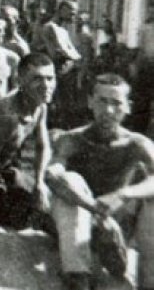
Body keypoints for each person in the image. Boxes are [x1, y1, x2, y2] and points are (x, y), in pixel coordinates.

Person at [45, 74, 154, 290]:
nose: (109, 111)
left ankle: (149, 282)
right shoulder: (72, 139)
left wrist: (124, 194)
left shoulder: (136, 143)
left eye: (116, 103)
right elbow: (53, 175)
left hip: (115, 227)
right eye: (102, 101)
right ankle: (79, 278)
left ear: (128, 107)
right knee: (70, 179)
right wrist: (95, 210)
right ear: (90, 102)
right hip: (75, 222)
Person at [0, 53, 55, 228]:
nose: (46, 85)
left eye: (50, 78)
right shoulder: (8, 115)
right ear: (20, 81)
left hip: (6, 169)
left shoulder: (40, 105)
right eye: (37, 79)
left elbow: (43, 146)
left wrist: (39, 182)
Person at [41, 0, 84, 129]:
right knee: (51, 105)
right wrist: (74, 57)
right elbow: (58, 51)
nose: (73, 17)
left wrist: (73, 56)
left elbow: (73, 51)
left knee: (66, 107)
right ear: (61, 10)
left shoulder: (63, 31)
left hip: (65, 73)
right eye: (71, 13)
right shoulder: (50, 27)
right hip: (53, 72)